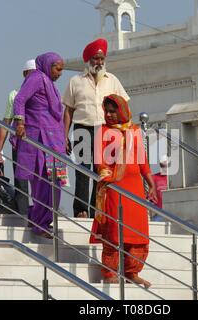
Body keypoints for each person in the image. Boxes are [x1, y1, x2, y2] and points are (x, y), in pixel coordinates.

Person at [89, 94, 157, 288]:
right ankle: (110, 272)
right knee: (114, 231)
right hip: (113, 188)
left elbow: (142, 162)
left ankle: (132, 272)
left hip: (135, 189)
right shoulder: (102, 131)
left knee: (137, 232)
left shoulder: (134, 131)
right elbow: (99, 161)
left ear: (122, 111)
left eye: (113, 111)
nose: (109, 115)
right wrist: (108, 175)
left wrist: (151, 184)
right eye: (107, 111)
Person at [63, 38, 130, 219]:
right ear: (88, 60)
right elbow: (68, 110)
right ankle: (81, 209)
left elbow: (123, 105)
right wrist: (64, 135)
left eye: (101, 59)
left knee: (103, 171)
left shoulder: (112, 80)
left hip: (107, 131)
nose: (99, 62)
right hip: (82, 128)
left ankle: (97, 209)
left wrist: (124, 129)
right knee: (83, 170)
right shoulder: (75, 81)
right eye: (95, 59)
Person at [13, 52, 65, 238]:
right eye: (57, 69)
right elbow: (20, 99)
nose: (60, 73)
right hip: (40, 141)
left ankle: (42, 221)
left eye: (61, 70)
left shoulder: (50, 84)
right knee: (42, 183)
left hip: (54, 143)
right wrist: (20, 123)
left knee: (55, 184)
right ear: (47, 65)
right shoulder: (36, 78)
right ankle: (39, 223)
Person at [0, 59, 36, 217]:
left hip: (38, 146)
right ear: (25, 74)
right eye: (32, 74)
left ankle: (39, 216)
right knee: (21, 183)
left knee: (40, 183)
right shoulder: (14, 95)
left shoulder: (43, 94)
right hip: (20, 146)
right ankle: (24, 216)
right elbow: (6, 123)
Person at [150, 155, 169, 222]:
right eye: (162, 165)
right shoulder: (154, 177)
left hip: (171, 210)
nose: (165, 167)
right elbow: (151, 197)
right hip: (158, 212)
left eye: (166, 165)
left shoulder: (172, 178)